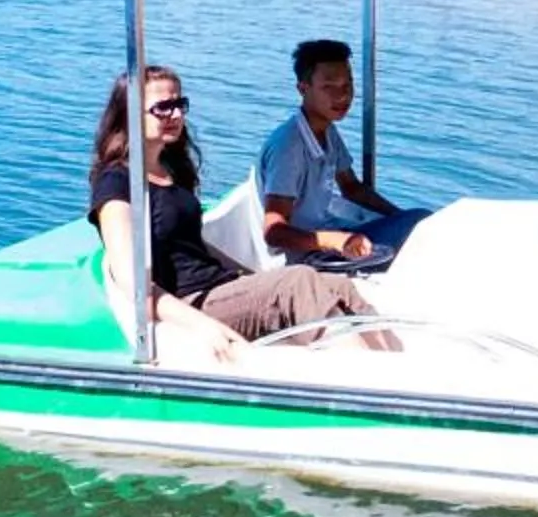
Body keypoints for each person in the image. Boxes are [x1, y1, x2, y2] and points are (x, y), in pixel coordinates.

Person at [88, 65, 394, 358]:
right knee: (298, 284)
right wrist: (203, 325)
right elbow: (131, 280)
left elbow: (193, 246)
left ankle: (396, 362)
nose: (176, 114)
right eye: (163, 108)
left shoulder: (172, 171)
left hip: (220, 287)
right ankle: (368, 379)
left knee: (337, 285)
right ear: (130, 114)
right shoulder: (116, 183)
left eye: (180, 104)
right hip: (192, 303)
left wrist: (250, 277)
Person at [258, 39, 423, 263]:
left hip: (332, 235)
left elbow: (351, 187)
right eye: (329, 86)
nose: (343, 96)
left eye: (348, 85)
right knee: (418, 235)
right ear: (303, 89)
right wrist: (335, 241)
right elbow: (274, 231)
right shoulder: (289, 148)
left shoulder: (326, 131)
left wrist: (397, 215)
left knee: (419, 222)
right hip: (308, 255)